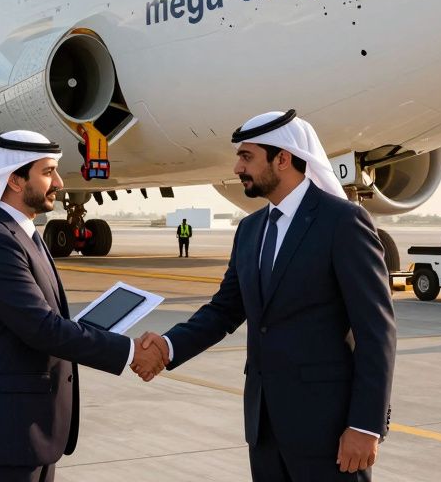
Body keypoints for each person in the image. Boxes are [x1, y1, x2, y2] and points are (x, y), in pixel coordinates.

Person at [138, 110, 395, 481]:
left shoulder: (342, 223)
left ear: (283, 159)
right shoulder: (249, 230)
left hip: (330, 432)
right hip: (265, 430)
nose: (237, 167)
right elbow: (223, 311)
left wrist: (366, 425)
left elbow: (377, 332)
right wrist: (167, 345)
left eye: (247, 157)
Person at [0, 131, 164, 482]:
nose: (58, 182)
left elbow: (44, 323)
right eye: (48, 171)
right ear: (15, 180)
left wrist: (87, 331)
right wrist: (130, 352)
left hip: (26, 436)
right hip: (0, 439)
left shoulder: (22, 233)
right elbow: (42, 328)